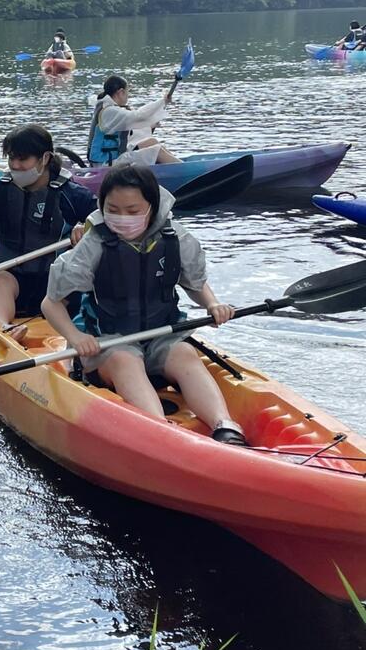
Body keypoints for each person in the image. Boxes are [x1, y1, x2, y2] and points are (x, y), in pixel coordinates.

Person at [41, 162, 247, 446]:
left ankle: (225, 426)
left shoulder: (175, 238)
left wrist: (212, 304)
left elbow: (196, 284)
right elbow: (51, 304)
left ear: (151, 207)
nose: (121, 218)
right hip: (108, 344)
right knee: (126, 360)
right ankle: (162, 432)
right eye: (113, 209)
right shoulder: (94, 244)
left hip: (159, 336)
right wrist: (76, 338)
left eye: (132, 211)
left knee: (185, 353)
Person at [0, 124, 97, 342]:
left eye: (23, 159)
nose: (15, 165)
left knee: (77, 285)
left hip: (55, 281)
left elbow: (106, 223)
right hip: (9, 277)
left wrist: (86, 226)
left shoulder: (74, 195)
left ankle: (76, 332)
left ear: (45, 158)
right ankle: (4, 327)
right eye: (11, 158)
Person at [87, 75, 181, 167]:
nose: (128, 95)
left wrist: (149, 125)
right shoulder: (109, 111)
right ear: (121, 92)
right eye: (127, 92)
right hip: (105, 164)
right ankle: (184, 169)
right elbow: (138, 116)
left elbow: (130, 127)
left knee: (151, 142)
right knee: (157, 151)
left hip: (112, 158)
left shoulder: (107, 107)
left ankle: (180, 164)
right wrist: (162, 101)